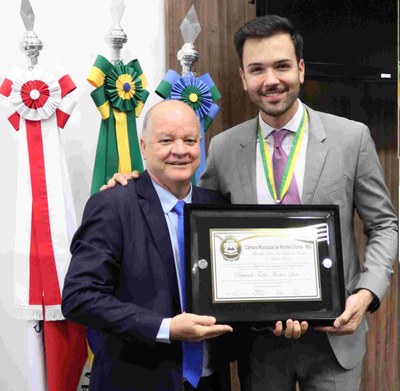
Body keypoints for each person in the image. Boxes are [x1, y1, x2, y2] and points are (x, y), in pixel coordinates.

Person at [106, 15, 398, 391]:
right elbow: (194, 213)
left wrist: (367, 294)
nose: (270, 80)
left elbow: (385, 224)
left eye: (281, 66)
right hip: (257, 344)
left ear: (301, 69)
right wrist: (136, 184)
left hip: (335, 337)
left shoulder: (351, 138)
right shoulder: (225, 147)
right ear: (243, 78)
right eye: (257, 69)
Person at [61, 100, 234, 391]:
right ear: (143, 146)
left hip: (210, 381)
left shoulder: (216, 207)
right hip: (135, 381)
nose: (179, 150)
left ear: (200, 144)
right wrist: (165, 328)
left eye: (189, 140)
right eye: (166, 140)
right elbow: (79, 297)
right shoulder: (113, 205)